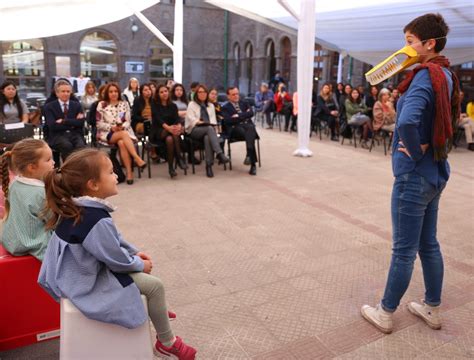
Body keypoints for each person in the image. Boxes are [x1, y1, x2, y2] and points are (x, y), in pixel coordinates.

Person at [38, 149, 197, 359]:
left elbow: (114, 241)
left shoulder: (80, 206)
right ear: (93, 185)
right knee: (155, 286)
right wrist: (139, 264)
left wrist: (134, 253)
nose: (116, 176)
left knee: (145, 279)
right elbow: (115, 260)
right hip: (86, 282)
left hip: (79, 272)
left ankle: (155, 310)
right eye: (111, 172)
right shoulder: (94, 218)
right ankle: (167, 342)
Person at [361, 13, 460, 334]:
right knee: (428, 244)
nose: (404, 49)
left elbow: (406, 122)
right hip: (437, 171)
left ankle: (385, 312)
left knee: (403, 249)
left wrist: (414, 150)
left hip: (415, 174)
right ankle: (431, 307)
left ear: (428, 43)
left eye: (409, 42)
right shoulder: (445, 74)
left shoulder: (423, 77)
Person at [0, 139, 54, 260]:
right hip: (32, 245)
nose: (53, 162)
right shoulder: (40, 193)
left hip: (12, 241)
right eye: (48, 159)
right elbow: (55, 222)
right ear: (32, 167)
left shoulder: (15, 183)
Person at [96, 83, 146, 185]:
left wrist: (122, 126)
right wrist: (111, 127)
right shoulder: (102, 104)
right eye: (111, 91)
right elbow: (98, 123)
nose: (113, 94)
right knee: (122, 136)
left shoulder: (124, 104)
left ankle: (129, 173)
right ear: (107, 93)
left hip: (124, 132)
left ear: (119, 92)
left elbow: (128, 120)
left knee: (122, 142)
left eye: (115, 91)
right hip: (107, 133)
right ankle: (137, 158)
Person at [185, 85, 229, 178]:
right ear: (196, 94)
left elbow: (213, 121)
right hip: (194, 130)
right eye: (200, 92)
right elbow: (191, 120)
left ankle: (208, 166)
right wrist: (201, 122)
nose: (202, 94)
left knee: (207, 137)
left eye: (204, 92)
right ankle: (219, 153)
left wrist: (209, 125)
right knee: (209, 129)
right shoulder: (192, 104)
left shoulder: (211, 105)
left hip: (208, 130)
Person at [43, 79, 86, 160]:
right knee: (66, 145)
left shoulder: (77, 105)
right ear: (57, 93)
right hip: (57, 135)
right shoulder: (49, 107)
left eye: (68, 91)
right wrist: (73, 124)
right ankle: (68, 169)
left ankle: (79, 169)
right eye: (63, 91)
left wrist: (64, 121)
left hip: (75, 134)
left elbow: (81, 123)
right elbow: (52, 126)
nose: (66, 93)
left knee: (80, 146)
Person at [151, 84, 187, 178]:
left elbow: (177, 118)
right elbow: (158, 120)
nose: (164, 93)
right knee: (172, 134)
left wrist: (178, 125)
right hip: (158, 131)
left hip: (170, 132)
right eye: (161, 92)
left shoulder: (173, 106)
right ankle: (179, 158)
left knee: (170, 139)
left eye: (166, 91)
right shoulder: (154, 104)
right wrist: (169, 128)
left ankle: (171, 168)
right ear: (158, 94)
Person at [221, 87, 259, 175]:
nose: (236, 96)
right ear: (228, 96)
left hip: (247, 128)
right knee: (251, 130)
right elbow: (228, 121)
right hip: (235, 130)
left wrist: (238, 115)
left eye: (237, 93)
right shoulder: (225, 107)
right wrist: (244, 115)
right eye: (233, 94)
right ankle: (251, 158)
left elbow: (251, 113)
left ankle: (251, 160)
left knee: (250, 128)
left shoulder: (244, 103)